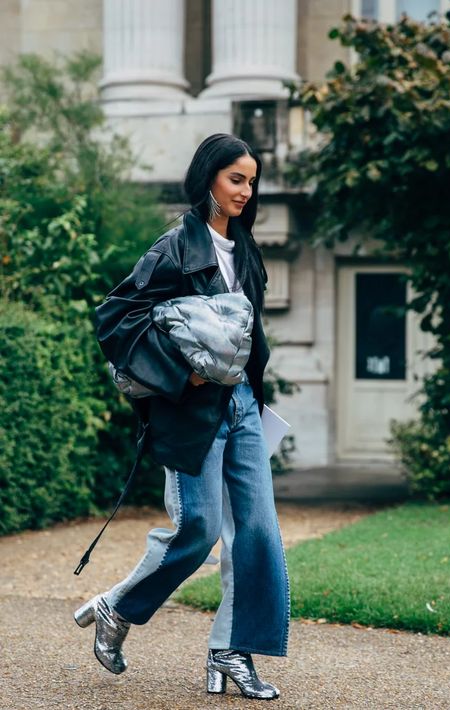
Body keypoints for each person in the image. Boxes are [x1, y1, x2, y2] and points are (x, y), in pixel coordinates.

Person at [74, 133, 290, 700]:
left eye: (251, 180)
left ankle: (230, 653)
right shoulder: (176, 246)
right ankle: (117, 608)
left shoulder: (245, 249)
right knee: (196, 527)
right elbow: (116, 319)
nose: (245, 190)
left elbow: (245, 334)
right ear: (208, 179)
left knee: (257, 530)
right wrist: (182, 371)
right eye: (235, 179)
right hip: (192, 410)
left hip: (242, 404)